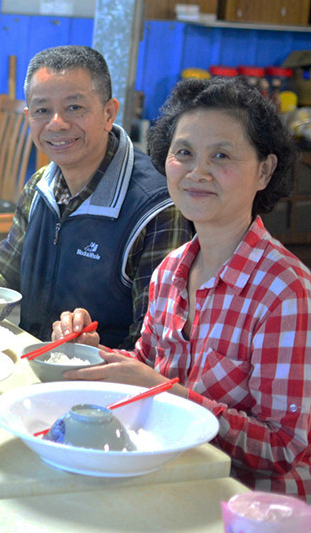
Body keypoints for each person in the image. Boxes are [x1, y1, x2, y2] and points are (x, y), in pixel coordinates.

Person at [52, 77, 310, 499]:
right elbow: (145, 366)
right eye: (184, 153)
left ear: (265, 170)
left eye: (221, 155)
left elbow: (283, 449)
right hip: (172, 478)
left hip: (248, 505)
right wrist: (88, 348)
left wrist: (161, 389)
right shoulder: (171, 270)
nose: (198, 172)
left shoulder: (285, 292)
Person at [0, 45, 192, 347]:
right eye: (42, 110)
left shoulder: (157, 208)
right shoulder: (41, 185)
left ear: (108, 113)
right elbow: (3, 277)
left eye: (74, 107)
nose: (57, 123)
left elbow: (156, 345)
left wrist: (91, 349)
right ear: (29, 118)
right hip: (31, 363)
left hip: (103, 386)